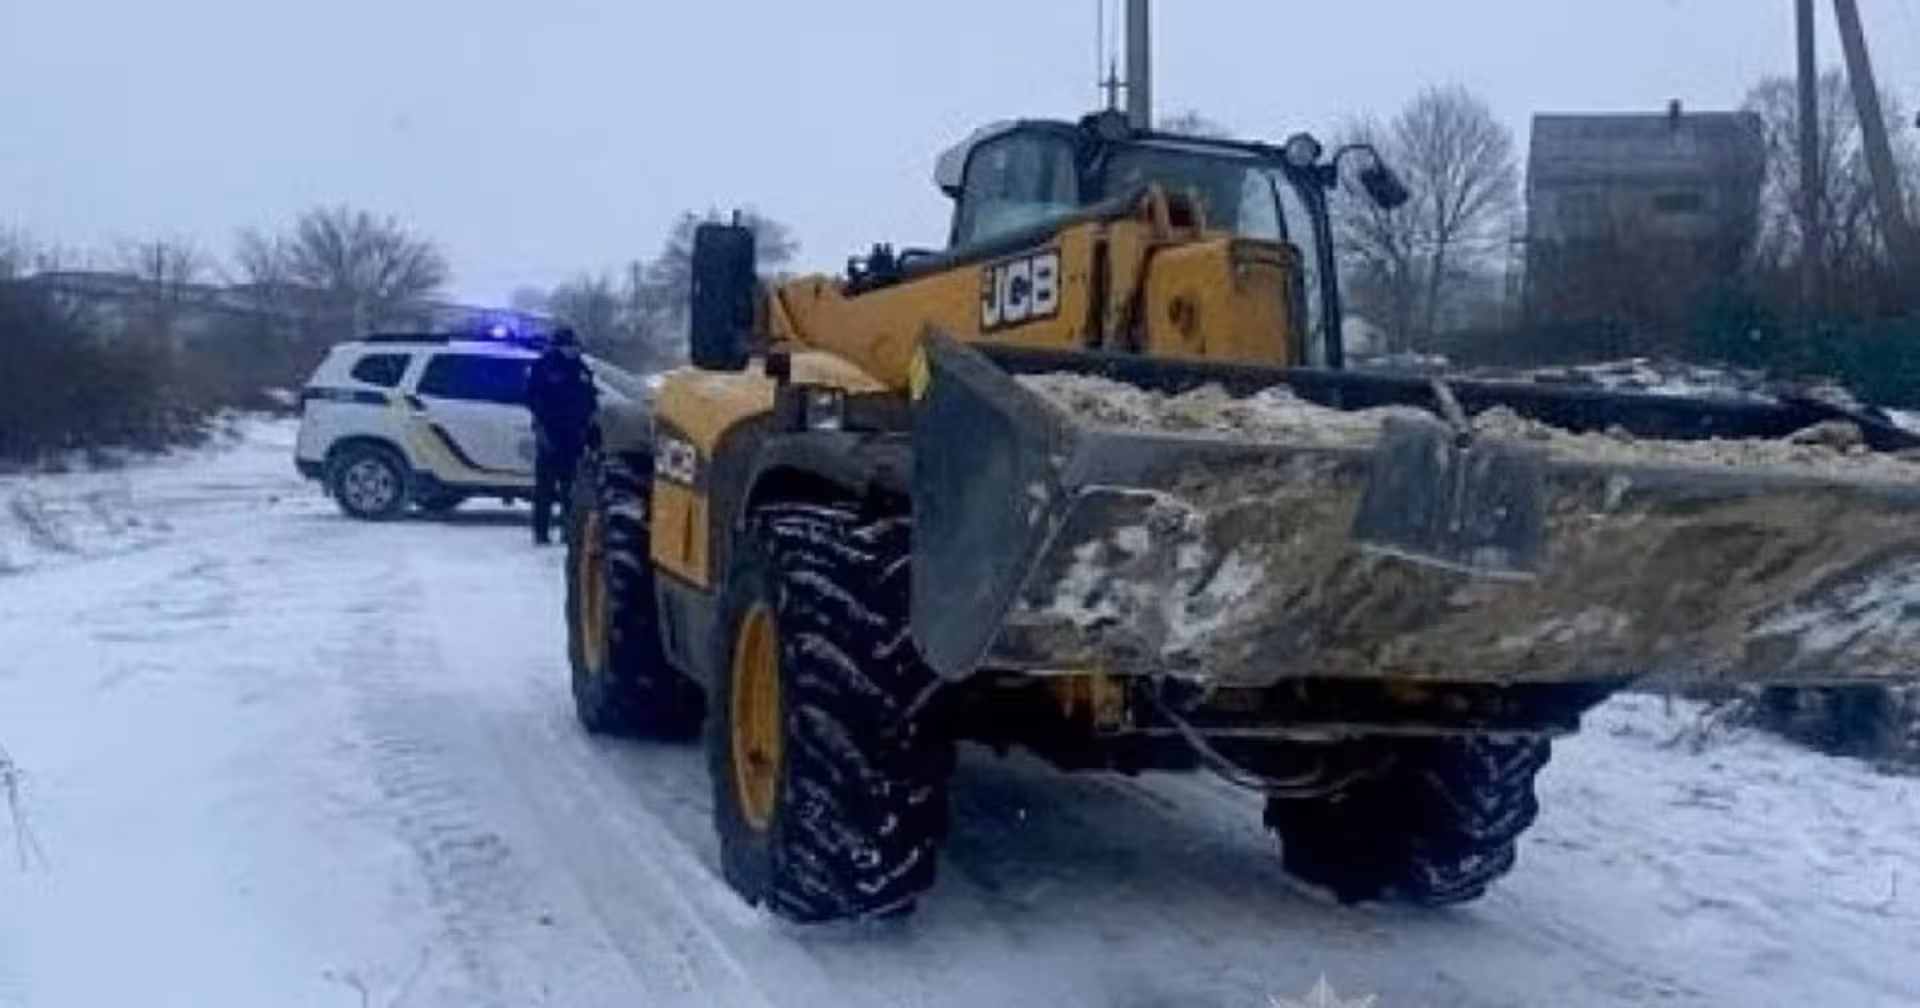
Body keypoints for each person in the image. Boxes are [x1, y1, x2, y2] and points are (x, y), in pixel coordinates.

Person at [525, 327, 598, 545]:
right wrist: (541, 428)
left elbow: (589, 400)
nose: (574, 349)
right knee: (545, 488)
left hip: (575, 436)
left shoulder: (581, 368)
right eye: (570, 345)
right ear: (560, 346)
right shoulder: (544, 367)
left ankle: (569, 530)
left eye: (576, 345)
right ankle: (541, 531)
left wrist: (589, 430)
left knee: (571, 488)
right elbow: (533, 398)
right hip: (551, 433)